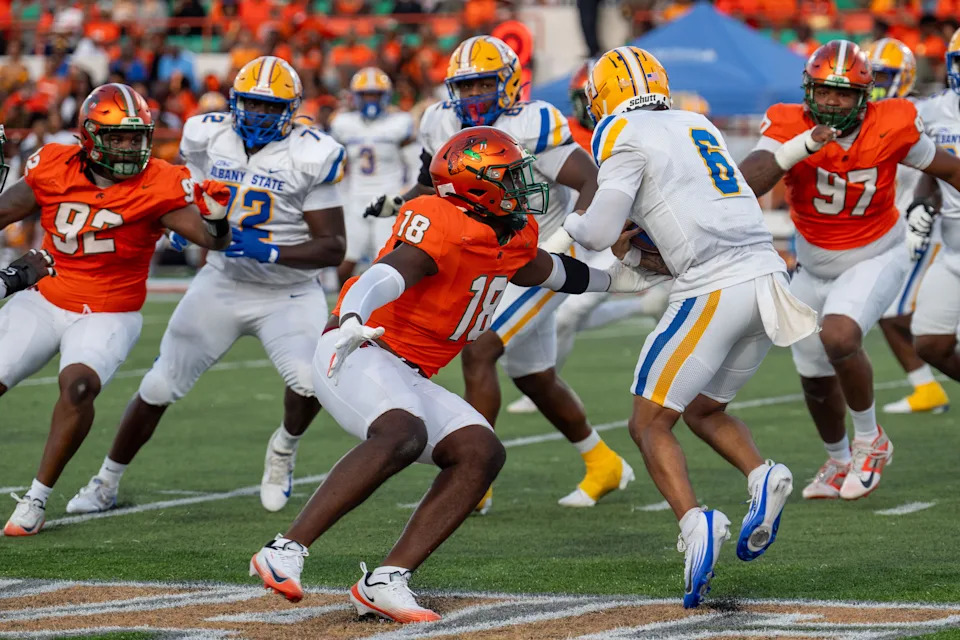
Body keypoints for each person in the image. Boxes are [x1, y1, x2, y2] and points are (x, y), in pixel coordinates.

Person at [249, 126, 661, 622]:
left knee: (480, 451)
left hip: (410, 371)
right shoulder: (442, 222)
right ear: (476, 186)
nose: (521, 187)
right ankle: (285, 548)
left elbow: (550, 271)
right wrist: (354, 317)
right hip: (359, 349)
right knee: (403, 432)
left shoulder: (509, 234)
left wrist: (616, 282)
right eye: (509, 178)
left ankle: (386, 580)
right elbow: (387, 274)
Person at [564, 46, 815, 609]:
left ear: (603, 96)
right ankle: (761, 473)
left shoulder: (619, 129)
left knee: (648, 422)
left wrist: (571, 223)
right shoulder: (695, 120)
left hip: (716, 286)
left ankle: (695, 523)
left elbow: (599, 229)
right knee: (703, 410)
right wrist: (642, 251)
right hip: (770, 278)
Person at [65, 56, 346, 516]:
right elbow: (181, 184)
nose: (257, 115)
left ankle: (283, 449)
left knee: (313, 381)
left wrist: (268, 250)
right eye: (251, 104)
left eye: (269, 107)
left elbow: (333, 246)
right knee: (158, 385)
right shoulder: (207, 133)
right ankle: (105, 482)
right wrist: (181, 223)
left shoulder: (312, 154)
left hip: (288, 291)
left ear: (291, 110)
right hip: (221, 281)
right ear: (235, 102)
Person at [365, 35, 633, 511]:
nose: (473, 98)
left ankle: (475, 480)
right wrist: (400, 200)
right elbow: (436, 180)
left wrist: (571, 238)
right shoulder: (438, 119)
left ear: (508, 81)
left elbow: (590, 177)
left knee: (480, 349)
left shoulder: (534, 122)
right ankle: (603, 462)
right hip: (487, 256)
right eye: (465, 87)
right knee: (535, 377)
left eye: (483, 84)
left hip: (539, 252)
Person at [0, 83, 232, 536]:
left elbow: (212, 240)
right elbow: (6, 210)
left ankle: (37, 497)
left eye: (136, 137)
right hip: (47, 295)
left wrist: (218, 219)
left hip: (109, 309)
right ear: (88, 136)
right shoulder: (52, 166)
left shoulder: (159, 181)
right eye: (118, 137)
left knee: (79, 386)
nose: (129, 147)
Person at [739, 40, 960, 500]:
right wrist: (801, 146)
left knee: (839, 336)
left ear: (865, 96)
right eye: (823, 92)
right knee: (813, 373)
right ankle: (839, 460)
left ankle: (869, 440)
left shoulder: (890, 125)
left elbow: (947, 168)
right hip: (814, 265)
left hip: (877, 253)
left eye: (843, 94)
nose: (832, 102)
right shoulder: (788, 123)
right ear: (808, 91)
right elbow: (747, 183)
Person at [864, 38, 950, 415]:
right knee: (889, 312)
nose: (877, 83)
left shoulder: (917, 112)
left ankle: (927, 386)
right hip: (899, 227)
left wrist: (921, 210)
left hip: (925, 226)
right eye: (873, 75)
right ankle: (926, 388)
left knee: (893, 313)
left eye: (885, 75)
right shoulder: (871, 114)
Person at [330, 67, 415, 285]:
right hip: (356, 198)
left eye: (375, 95)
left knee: (385, 261)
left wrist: (406, 195)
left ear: (385, 96)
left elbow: (413, 163)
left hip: (388, 200)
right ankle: (342, 307)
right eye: (366, 94)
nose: (370, 100)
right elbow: (336, 163)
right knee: (345, 263)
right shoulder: (344, 123)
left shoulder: (399, 122)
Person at [908, 31, 960, 388]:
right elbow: (931, 167)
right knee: (930, 342)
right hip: (952, 249)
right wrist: (920, 205)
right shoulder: (932, 110)